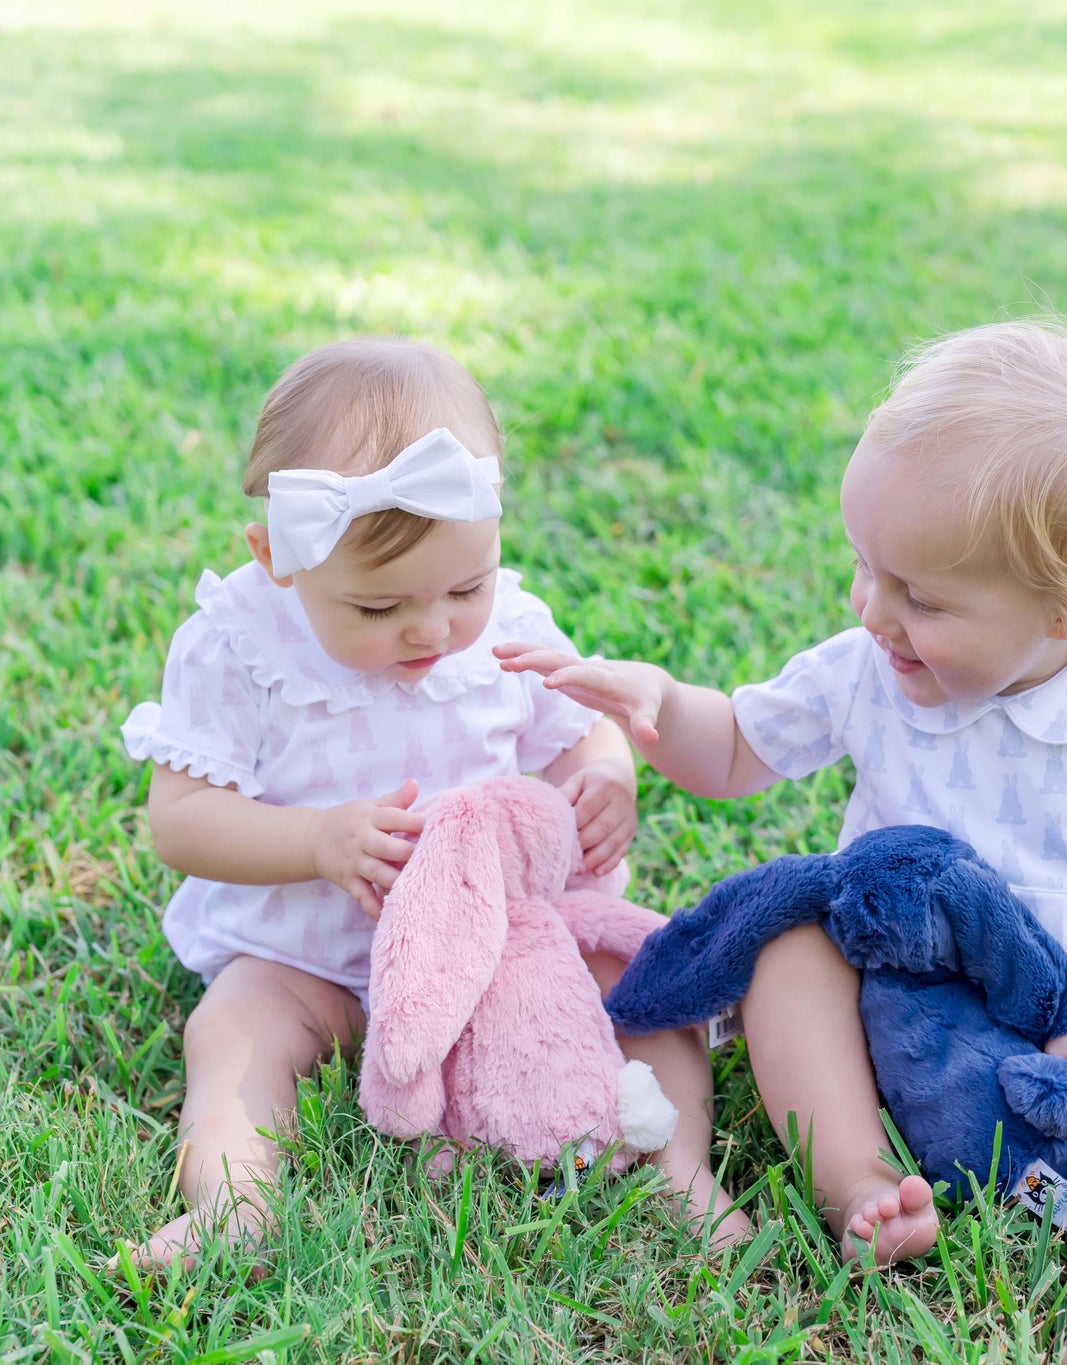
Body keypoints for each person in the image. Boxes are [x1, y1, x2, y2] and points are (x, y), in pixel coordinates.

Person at [499, 320, 1067, 1364]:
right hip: (880, 999)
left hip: (1065, 1045)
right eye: (866, 568)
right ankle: (862, 1184)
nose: (873, 610)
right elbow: (732, 752)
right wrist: (662, 704)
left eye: (922, 596)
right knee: (785, 953)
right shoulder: (870, 664)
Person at [117, 336, 749, 1270]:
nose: (431, 627)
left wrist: (605, 777)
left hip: (498, 948)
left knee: (650, 986)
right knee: (231, 1031)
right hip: (313, 962)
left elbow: (581, 730)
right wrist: (316, 840)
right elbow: (178, 819)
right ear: (276, 557)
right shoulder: (238, 648)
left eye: (466, 586)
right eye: (377, 608)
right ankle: (235, 1203)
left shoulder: (510, 631)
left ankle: (680, 1166)